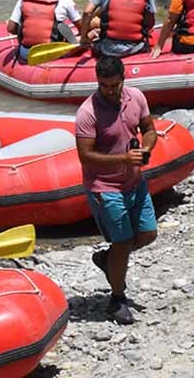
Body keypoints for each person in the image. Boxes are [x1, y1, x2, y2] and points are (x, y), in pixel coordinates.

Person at [77, 55, 158, 325]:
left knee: (147, 234)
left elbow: (148, 129)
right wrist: (123, 159)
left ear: (123, 79)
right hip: (105, 186)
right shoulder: (88, 113)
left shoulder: (136, 97)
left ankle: (110, 260)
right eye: (104, 85)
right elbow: (86, 156)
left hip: (134, 181)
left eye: (114, 85)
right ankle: (117, 297)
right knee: (122, 240)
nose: (109, 90)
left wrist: (145, 149)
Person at [7, 0, 82, 60]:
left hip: (27, 53)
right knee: (87, 37)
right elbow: (81, 27)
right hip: (53, 53)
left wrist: (24, 32)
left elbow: (10, 28)